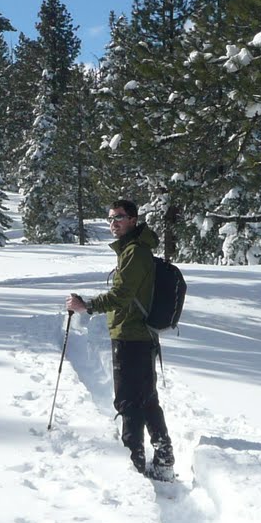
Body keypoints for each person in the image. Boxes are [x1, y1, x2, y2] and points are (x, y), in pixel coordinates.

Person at [66, 199, 174, 479]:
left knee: (128, 401)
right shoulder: (134, 250)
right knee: (146, 398)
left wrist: (87, 305)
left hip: (131, 335)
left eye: (120, 217)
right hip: (139, 334)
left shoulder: (135, 253)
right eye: (110, 218)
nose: (114, 223)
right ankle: (163, 459)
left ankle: (135, 466)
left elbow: (121, 295)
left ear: (134, 219)